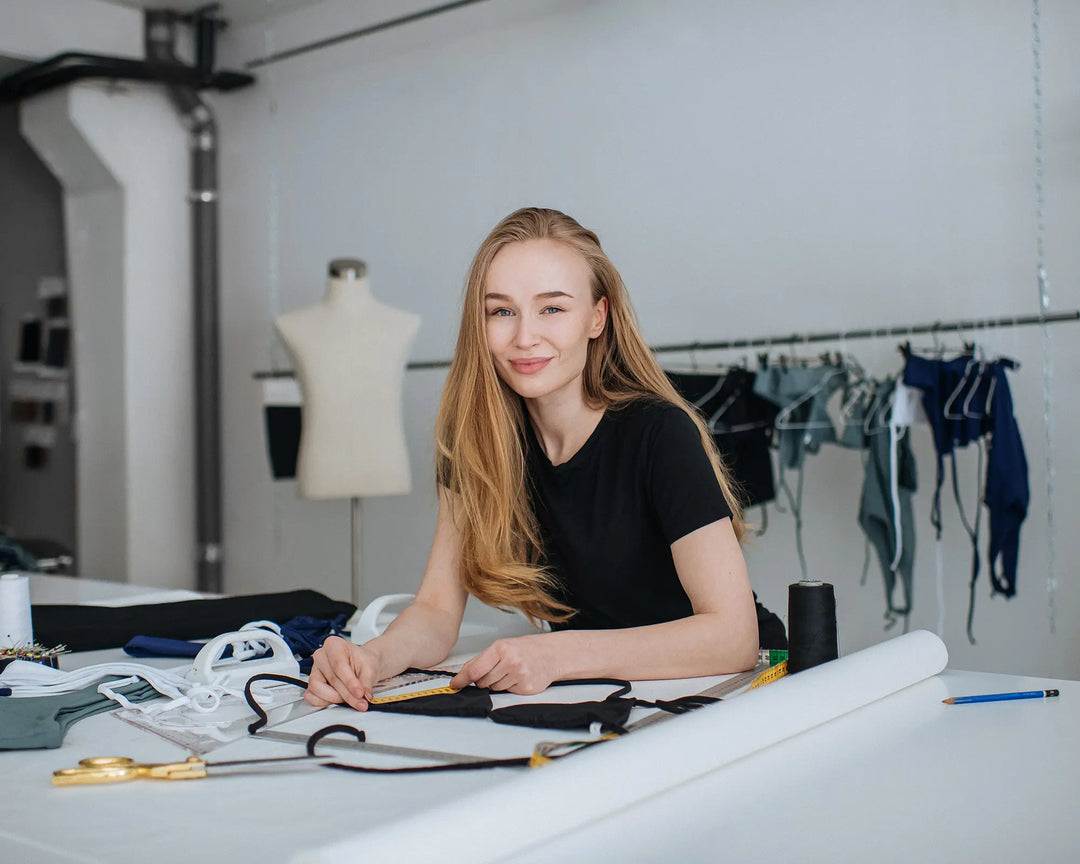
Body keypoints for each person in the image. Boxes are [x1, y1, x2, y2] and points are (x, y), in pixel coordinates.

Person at [305, 207, 772, 711]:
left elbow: (733, 637)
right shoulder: (476, 442)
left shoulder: (659, 433)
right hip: (610, 698)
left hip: (729, 694)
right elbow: (437, 610)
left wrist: (555, 655)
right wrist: (371, 658)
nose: (525, 337)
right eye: (501, 311)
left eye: (552, 309)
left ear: (598, 317)